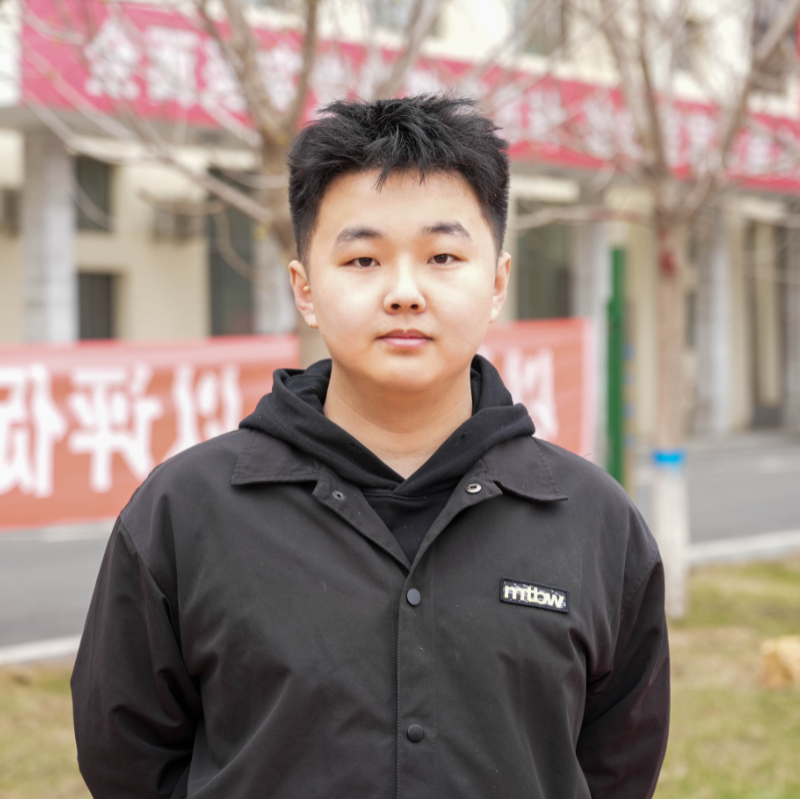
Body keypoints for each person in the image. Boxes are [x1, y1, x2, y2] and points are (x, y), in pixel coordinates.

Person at [72, 95, 669, 799]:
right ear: (305, 289)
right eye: (362, 259)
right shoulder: (184, 510)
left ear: (498, 281)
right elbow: (127, 759)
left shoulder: (594, 522)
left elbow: (616, 766)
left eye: (443, 256)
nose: (404, 293)